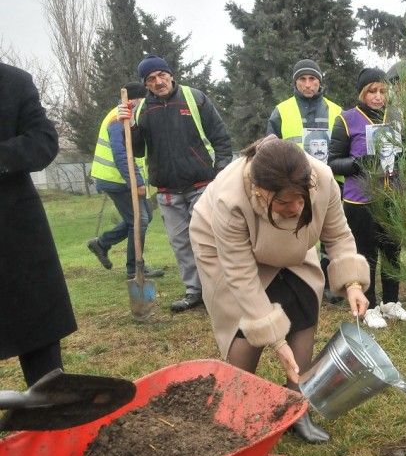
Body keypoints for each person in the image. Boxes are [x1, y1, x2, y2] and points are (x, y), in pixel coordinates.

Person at [190, 136, 369, 443]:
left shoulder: (322, 179)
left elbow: (337, 235)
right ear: (260, 191)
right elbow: (241, 275)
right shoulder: (229, 197)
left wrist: (353, 283)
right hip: (225, 251)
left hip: (290, 246)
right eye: (285, 202)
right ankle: (239, 409)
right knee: (244, 323)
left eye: (301, 200)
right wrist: (275, 339)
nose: (296, 208)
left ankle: (297, 406)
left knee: (302, 299)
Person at [118, 55, 233, 312]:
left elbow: (220, 137)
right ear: (146, 84)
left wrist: (221, 171)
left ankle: (220, 291)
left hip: (202, 183)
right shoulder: (141, 111)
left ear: (170, 74)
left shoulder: (195, 98)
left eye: (161, 75)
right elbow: (136, 150)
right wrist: (129, 125)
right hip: (167, 189)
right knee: (181, 243)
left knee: (210, 239)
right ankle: (195, 292)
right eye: (151, 79)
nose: (158, 82)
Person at [0, 63, 76, 386]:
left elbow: (44, 141)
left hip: (15, 229)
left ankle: (54, 421)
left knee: (38, 338)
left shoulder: (14, 82)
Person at [329, 68, 406, 329]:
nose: (378, 97)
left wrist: (404, 156)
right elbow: (332, 162)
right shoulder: (346, 119)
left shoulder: (397, 117)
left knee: (392, 252)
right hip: (360, 200)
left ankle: (390, 302)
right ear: (362, 93)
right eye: (372, 92)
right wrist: (357, 163)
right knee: (366, 255)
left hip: (393, 196)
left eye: (382, 92)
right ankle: (370, 306)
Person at [267, 59, 345, 303]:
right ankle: (300, 282)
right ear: (295, 82)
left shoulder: (336, 110)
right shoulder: (281, 110)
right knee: (296, 232)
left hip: (330, 182)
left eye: (313, 79)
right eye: (302, 79)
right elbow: (270, 146)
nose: (308, 84)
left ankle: (332, 284)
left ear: (320, 82)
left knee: (330, 232)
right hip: (294, 184)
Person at [87, 82, 167, 281]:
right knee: (139, 221)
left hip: (120, 179)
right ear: (133, 100)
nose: (146, 104)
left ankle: (102, 243)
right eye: (143, 100)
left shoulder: (127, 116)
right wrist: (136, 182)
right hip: (116, 179)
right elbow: (120, 154)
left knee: (144, 216)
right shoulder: (118, 118)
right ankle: (134, 268)